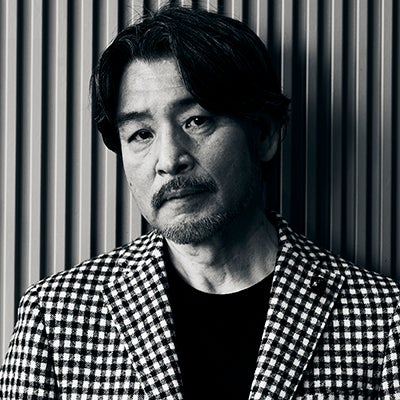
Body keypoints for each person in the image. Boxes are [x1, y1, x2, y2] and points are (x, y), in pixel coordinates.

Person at [1, 5, 399, 399]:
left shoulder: (381, 319)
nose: (169, 160)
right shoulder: (55, 317)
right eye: (141, 134)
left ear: (263, 134)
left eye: (196, 120)